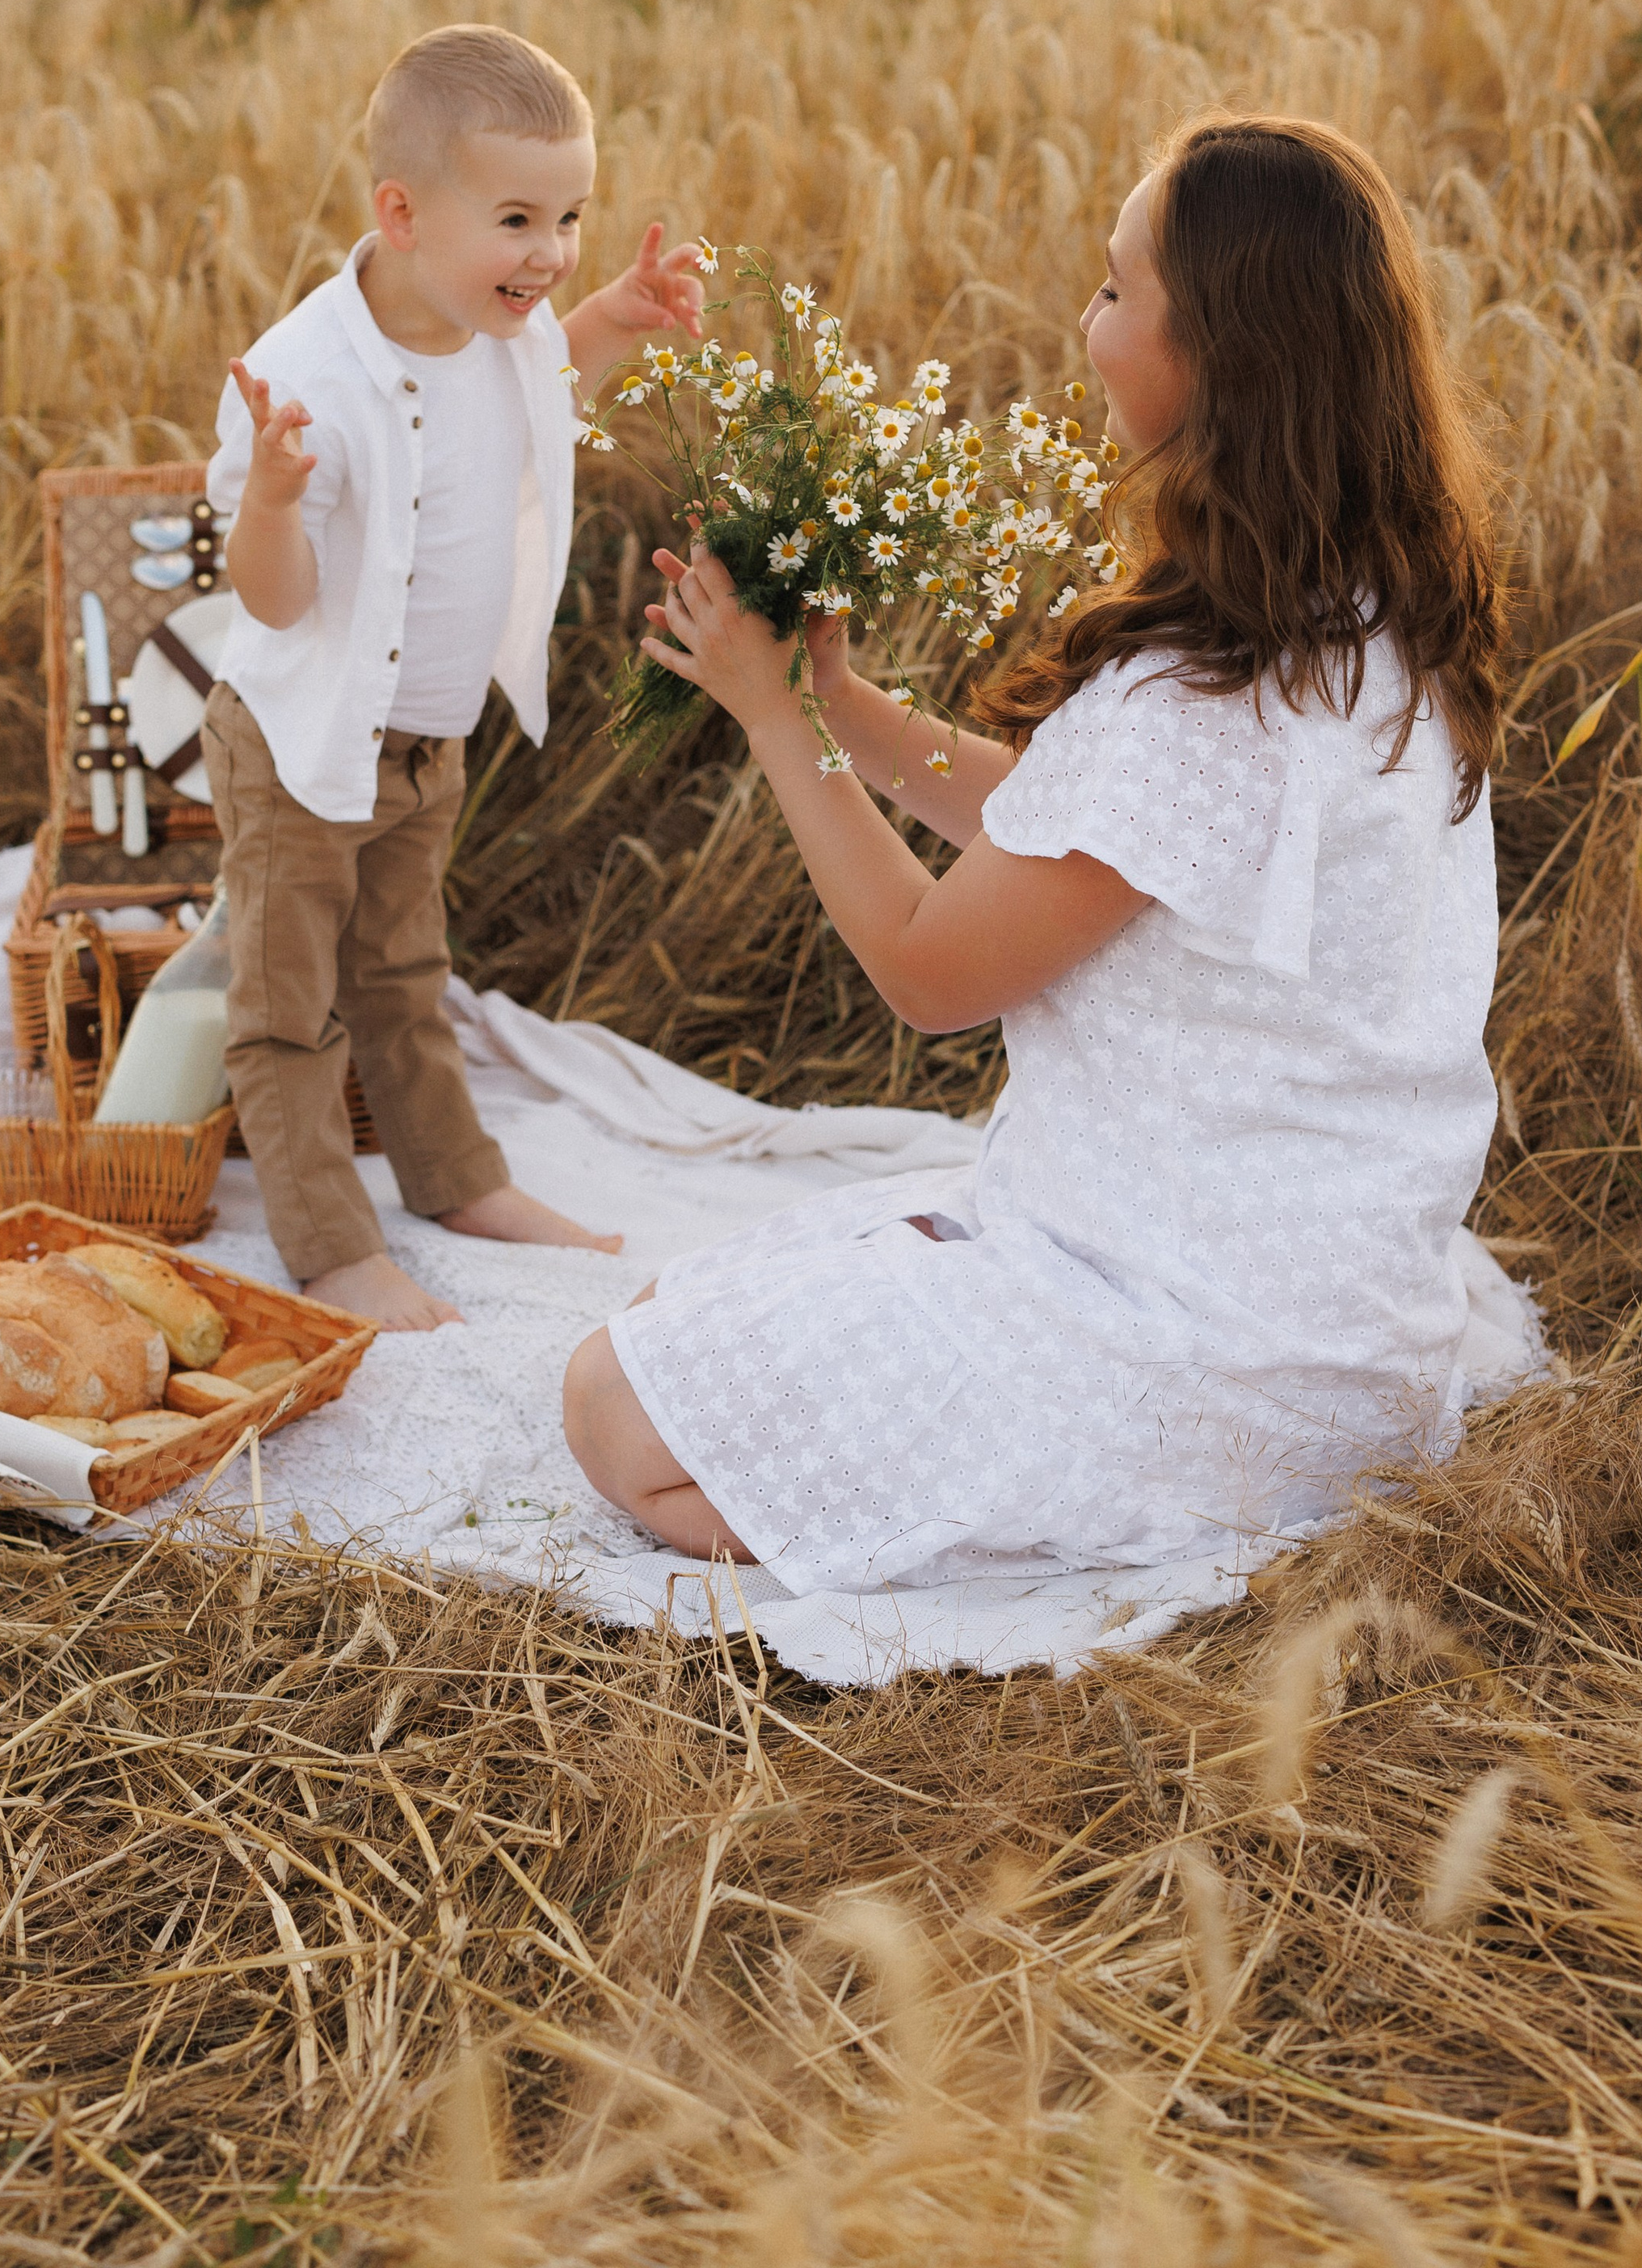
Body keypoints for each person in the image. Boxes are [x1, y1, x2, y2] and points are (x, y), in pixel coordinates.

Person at [563, 113, 1539, 1586]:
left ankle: (1069, 1521)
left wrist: (775, 715)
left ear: (1218, 354)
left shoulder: (1199, 698)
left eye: (1113, 289)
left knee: (615, 1404)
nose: (1086, 325)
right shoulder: (1369, 617)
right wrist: (847, 704)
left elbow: (927, 971)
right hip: (1335, 1327)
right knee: (715, 1303)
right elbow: (1090, 836)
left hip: (1205, 1352)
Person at [205, 23, 705, 1333]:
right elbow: (273, 598)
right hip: (301, 747)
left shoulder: (505, 327)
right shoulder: (297, 382)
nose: (550, 252)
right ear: (403, 212)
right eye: (520, 219)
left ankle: (456, 1180)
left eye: (572, 216)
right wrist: (270, 499)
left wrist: (617, 317)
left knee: (404, 972)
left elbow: (549, 386)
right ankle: (330, 1243)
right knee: (288, 1004)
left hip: (429, 743)